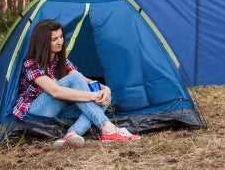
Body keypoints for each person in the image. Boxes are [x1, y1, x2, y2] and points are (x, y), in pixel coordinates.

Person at [13, 18, 141, 146]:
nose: (60, 42)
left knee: (104, 98)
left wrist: (104, 89)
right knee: (79, 82)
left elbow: (83, 79)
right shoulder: (31, 62)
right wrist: (92, 96)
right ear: (43, 42)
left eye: (61, 37)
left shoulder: (60, 60)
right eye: (54, 39)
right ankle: (108, 128)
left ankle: (72, 134)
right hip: (35, 113)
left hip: (58, 112)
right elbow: (55, 91)